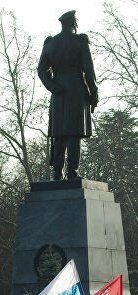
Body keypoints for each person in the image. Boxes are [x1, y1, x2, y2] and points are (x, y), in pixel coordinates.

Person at [37, 10, 98, 181]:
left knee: (60, 133)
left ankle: (57, 172)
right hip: (76, 90)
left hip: (59, 92)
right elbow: (89, 70)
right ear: (74, 22)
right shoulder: (80, 41)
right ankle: (72, 172)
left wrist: (53, 87)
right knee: (73, 133)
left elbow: (41, 70)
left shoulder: (50, 43)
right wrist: (94, 92)